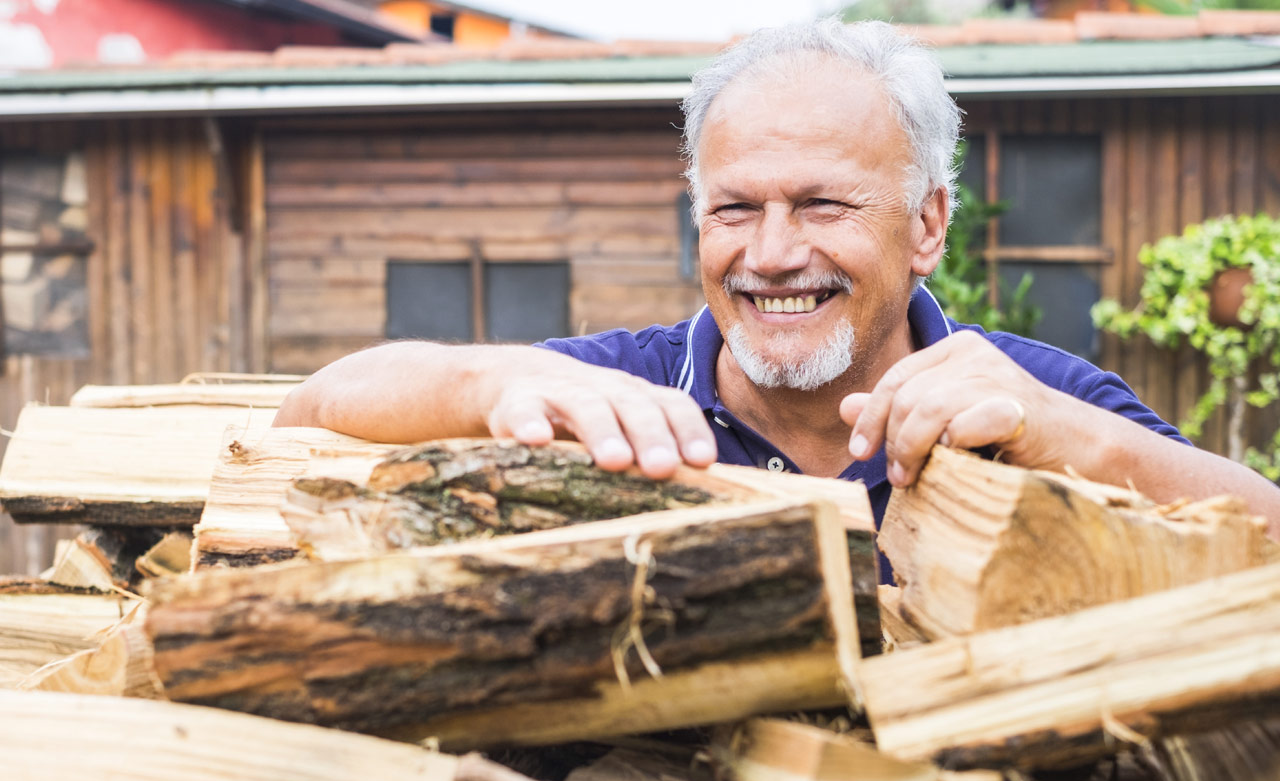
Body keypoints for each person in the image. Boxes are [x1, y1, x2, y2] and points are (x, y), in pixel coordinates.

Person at [275, 19, 1280, 574]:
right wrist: (486, 380)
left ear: (926, 223)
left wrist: (1085, 445)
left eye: (820, 205)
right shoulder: (621, 399)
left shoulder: (1033, 406)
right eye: (733, 209)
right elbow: (310, 408)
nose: (770, 253)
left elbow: (1263, 533)